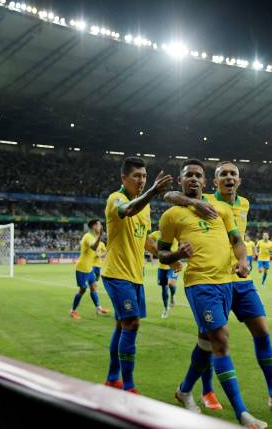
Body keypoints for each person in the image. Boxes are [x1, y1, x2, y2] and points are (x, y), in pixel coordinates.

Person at [165, 160, 272, 415]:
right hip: (211, 279)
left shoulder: (244, 204)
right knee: (209, 338)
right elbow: (171, 194)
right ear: (214, 181)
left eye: (233, 174)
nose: (229, 178)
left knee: (262, 331)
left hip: (240, 280)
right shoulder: (205, 199)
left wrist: (243, 261)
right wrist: (195, 202)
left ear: (239, 180)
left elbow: (237, 239)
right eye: (223, 174)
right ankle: (207, 391)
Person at [158, 159, 267, 428]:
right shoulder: (171, 215)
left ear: (205, 182)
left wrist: (243, 261)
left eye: (198, 175)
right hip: (199, 284)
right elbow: (161, 253)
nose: (193, 179)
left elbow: (237, 242)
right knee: (220, 338)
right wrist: (176, 254)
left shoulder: (222, 209)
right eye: (188, 176)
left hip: (226, 284)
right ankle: (242, 413)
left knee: (205, 342)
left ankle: (184, 390)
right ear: (182, 181)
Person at [101, 157, 173, 393]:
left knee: (123, 326)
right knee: (132, 324)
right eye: (137, 176)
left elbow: (146, 242)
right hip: (116, 272)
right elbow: (128, 210)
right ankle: (128, 386)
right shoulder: (116, 199)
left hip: (135, 275)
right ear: (124, 178)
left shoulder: (146, 206)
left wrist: (169, 256)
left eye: (144, 176)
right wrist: (153, 190)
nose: (141, 180)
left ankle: (112, 378)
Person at [70, 219, 109, 319]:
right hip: (82, 268)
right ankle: (73, 311)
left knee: (93, 287)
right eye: (99, 225)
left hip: (89, 268)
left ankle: (98, 308)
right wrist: (100, 236)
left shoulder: (93, 237)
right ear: (93, 227)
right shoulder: (88, 237)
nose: (100, 227)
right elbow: (93, 247)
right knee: (82, 290)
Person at [148, 230, 182, 318]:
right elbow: (147, 239)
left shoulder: (175, 233)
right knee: (164, 288)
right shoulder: (156, 234)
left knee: (171, 284)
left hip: (173, 265)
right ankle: (166, 309)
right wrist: (152, 255)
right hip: (162, 266)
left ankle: (173, 295)